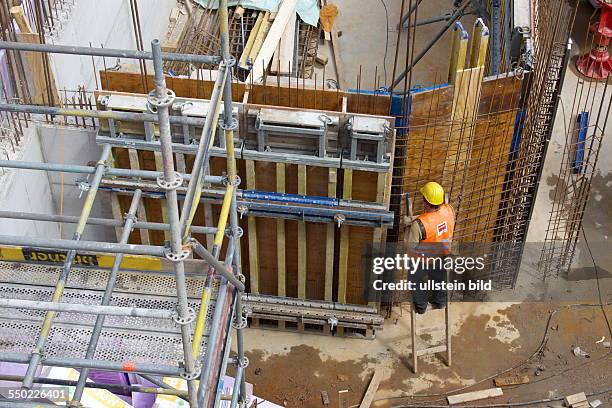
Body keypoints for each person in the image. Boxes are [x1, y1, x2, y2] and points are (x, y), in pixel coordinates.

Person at [404, 181, 455, 314]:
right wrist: (414, 219)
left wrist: (410, 226)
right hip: (443, 254)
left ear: (425, 202)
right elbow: (437, 218)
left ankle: (421, 306)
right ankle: (440, 302)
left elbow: (410, 249)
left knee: (415, 278)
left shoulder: (419, 226)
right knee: (440, 278)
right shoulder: (449, 210)